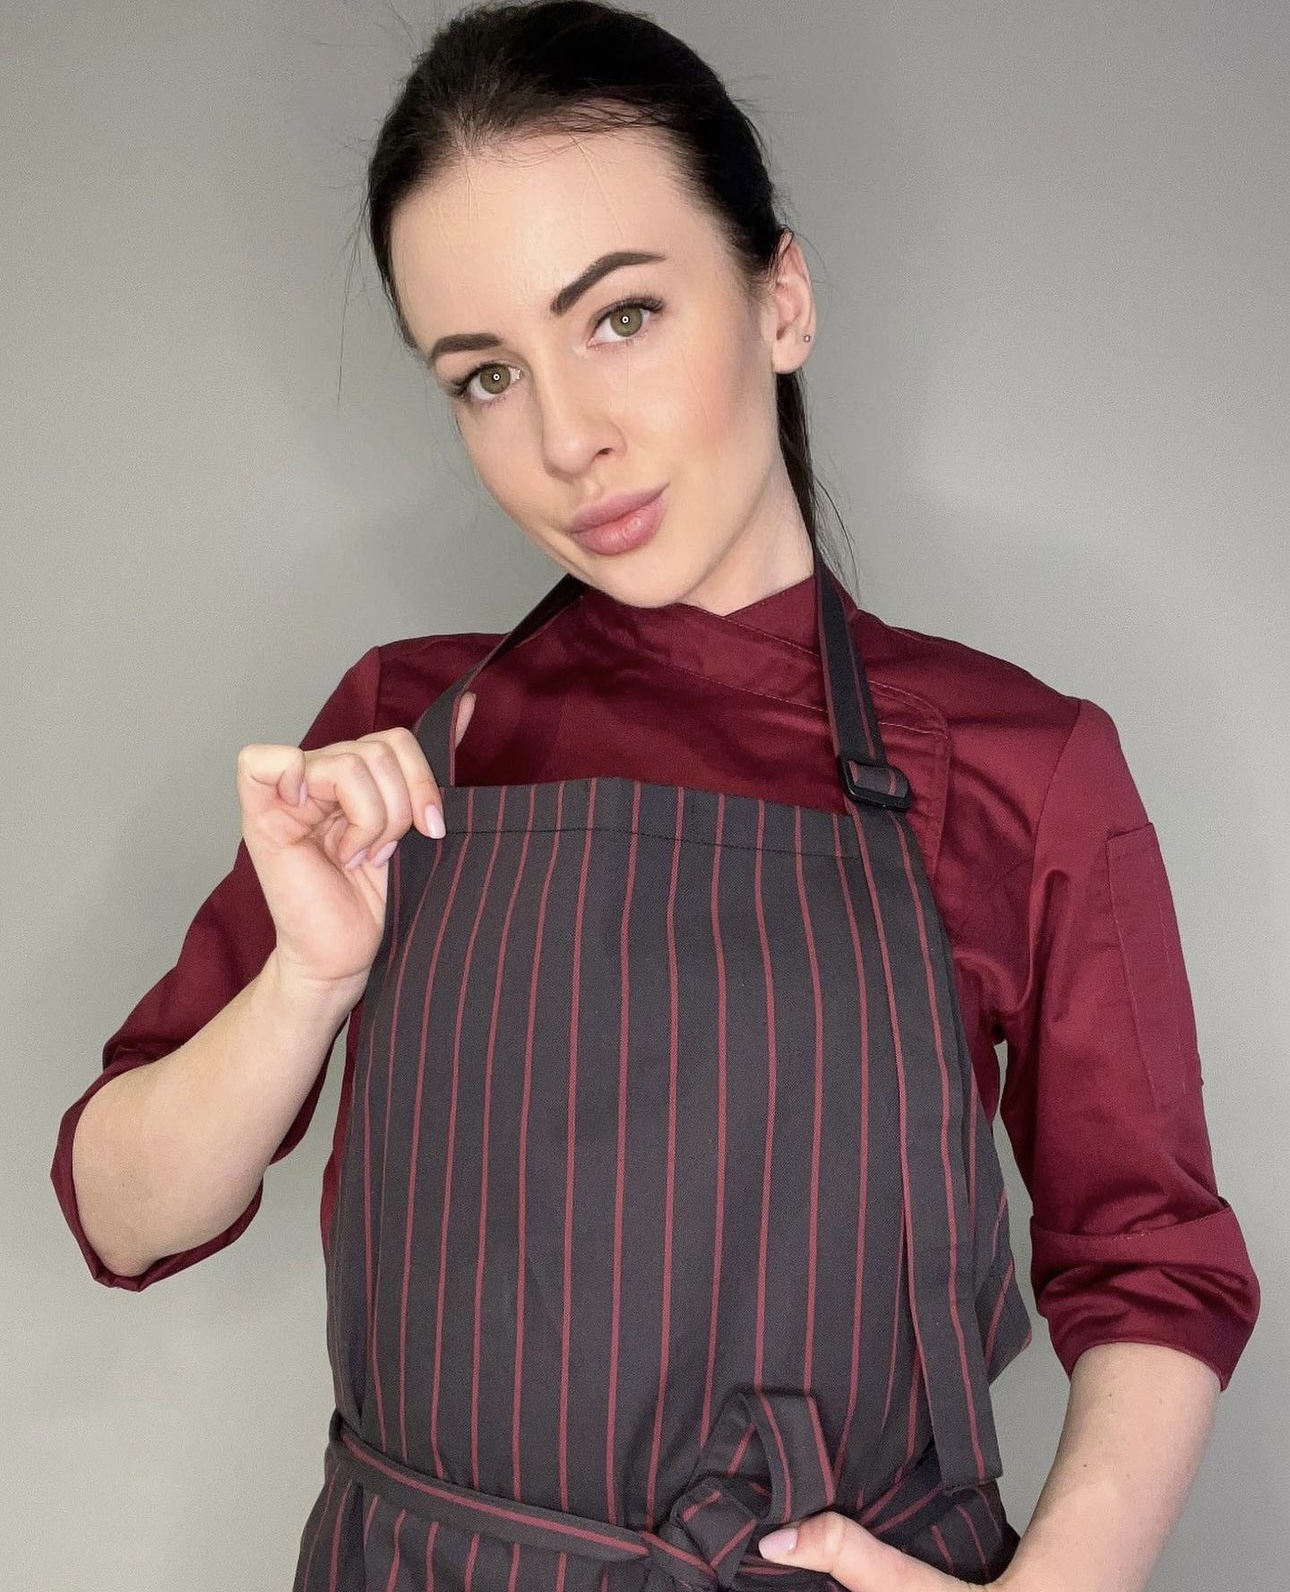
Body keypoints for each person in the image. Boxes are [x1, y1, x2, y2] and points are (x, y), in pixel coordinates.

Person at [51, 3, 1260, 1589]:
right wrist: (307, 982)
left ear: (779, 301)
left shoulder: (1018, 763)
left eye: (619, 316)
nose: (567, 439)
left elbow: (1149, 1260)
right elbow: (122, 1213)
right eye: (485, 375)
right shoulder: (404, 736)